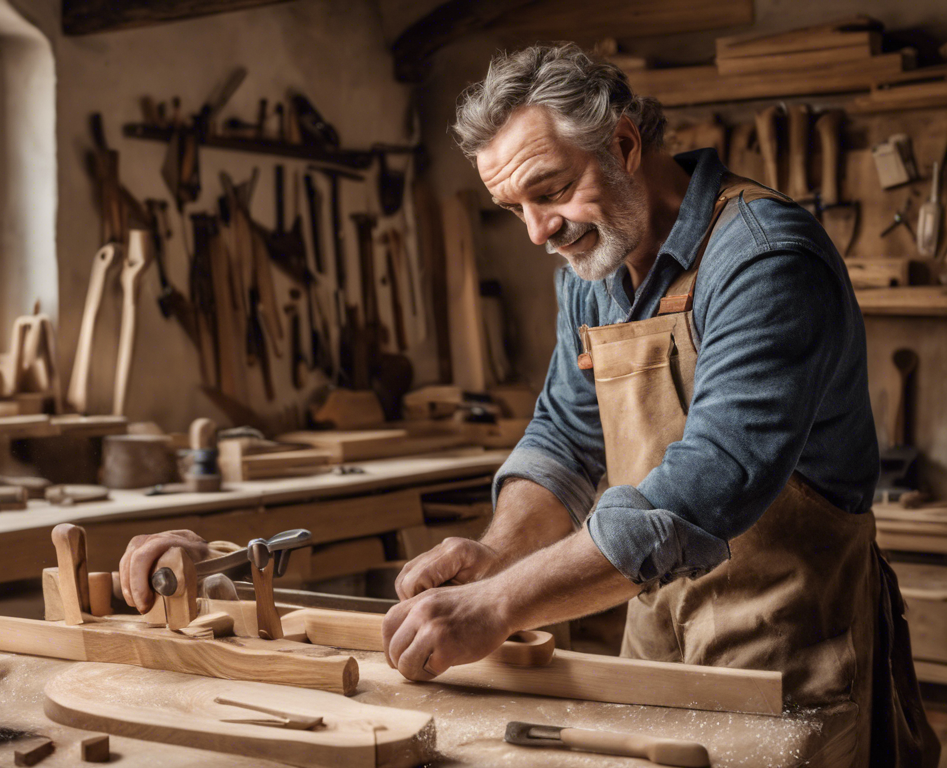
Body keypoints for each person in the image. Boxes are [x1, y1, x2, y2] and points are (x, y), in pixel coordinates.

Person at [120, 43, 938, 766]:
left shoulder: (763, 260)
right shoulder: (594, 273)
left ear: (623, 143)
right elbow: (565, 440)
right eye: (514, 209)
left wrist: (499, 605)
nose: (539, 232)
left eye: (549, 191)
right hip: (654, 630)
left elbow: (704, 490)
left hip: (792, 639)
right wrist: (498, 554)